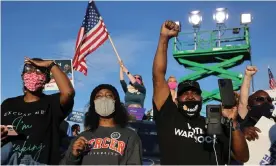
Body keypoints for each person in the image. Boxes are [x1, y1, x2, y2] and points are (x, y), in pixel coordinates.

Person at [152, 20, 249, 165]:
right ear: (177, 100)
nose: (190, 95)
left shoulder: (216, 125)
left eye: (195, 93)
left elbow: (243, 157)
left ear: (202, 99)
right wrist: (164, 39)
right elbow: (158, 76)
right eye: (185, 93)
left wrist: (233, 123)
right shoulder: (168, 116)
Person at [1, 57, 75, 164]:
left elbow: (68, 93)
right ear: (22, 76)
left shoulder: (52, 103)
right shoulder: (8, 104)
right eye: (29, 69)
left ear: (47, 79)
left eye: (39, 70)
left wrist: (50, 65)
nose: (33, 73)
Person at [60, 84, 142, 165]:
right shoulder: (82, 137)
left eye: (109, 96)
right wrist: (74, 156)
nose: (104, 99)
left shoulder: (130, 136)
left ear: (115, 102)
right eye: (99, 96)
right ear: (93, 104)